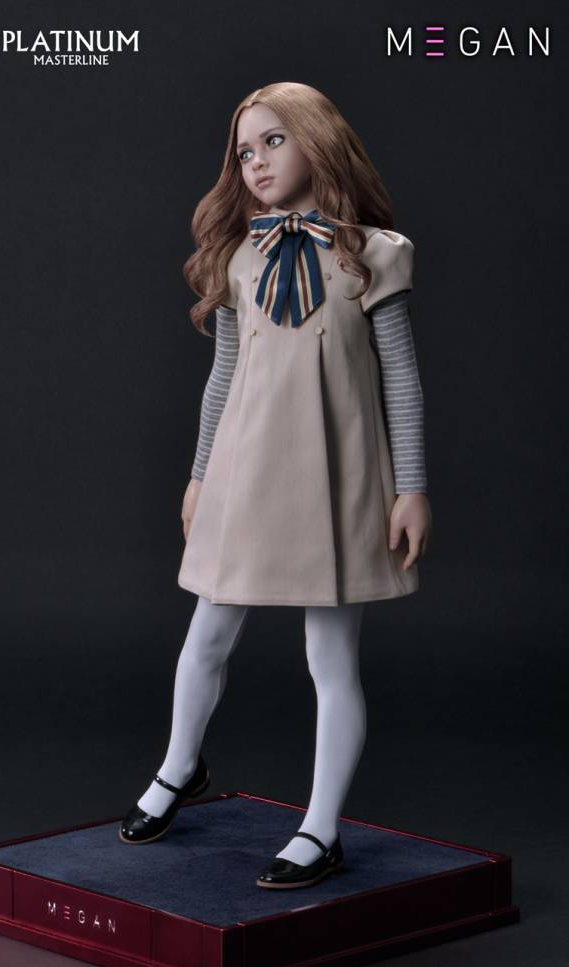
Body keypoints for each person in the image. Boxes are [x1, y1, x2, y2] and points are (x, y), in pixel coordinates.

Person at [118, 81, 432, 889]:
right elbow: (222, 376)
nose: (255, 162)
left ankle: (320, 828)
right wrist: (198, 476)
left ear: (317, 140)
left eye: (273, 141)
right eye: (244, 151)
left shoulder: (376, 253)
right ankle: (178, 767)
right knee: (208, 630)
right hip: (243, 469)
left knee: (330, 655)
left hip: (338, 475)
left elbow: (400, 377)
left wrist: (412, 486)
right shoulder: (238, 256)